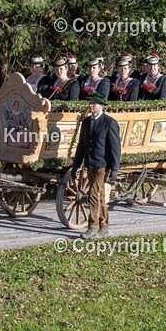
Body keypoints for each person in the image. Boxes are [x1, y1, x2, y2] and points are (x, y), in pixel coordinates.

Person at [71, 93, 121, 238]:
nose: (91, 105)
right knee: (99, 196)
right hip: (90, 164)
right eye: (90, 103)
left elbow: (115, 148)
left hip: (102, 165)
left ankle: (92, 227)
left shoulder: (109, 122)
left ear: (101, 106)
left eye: (94, 103)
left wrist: (115, 170)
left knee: (93, 194)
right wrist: (76, 165)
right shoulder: (86, 122)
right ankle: (104, 226)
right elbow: (81, 146)